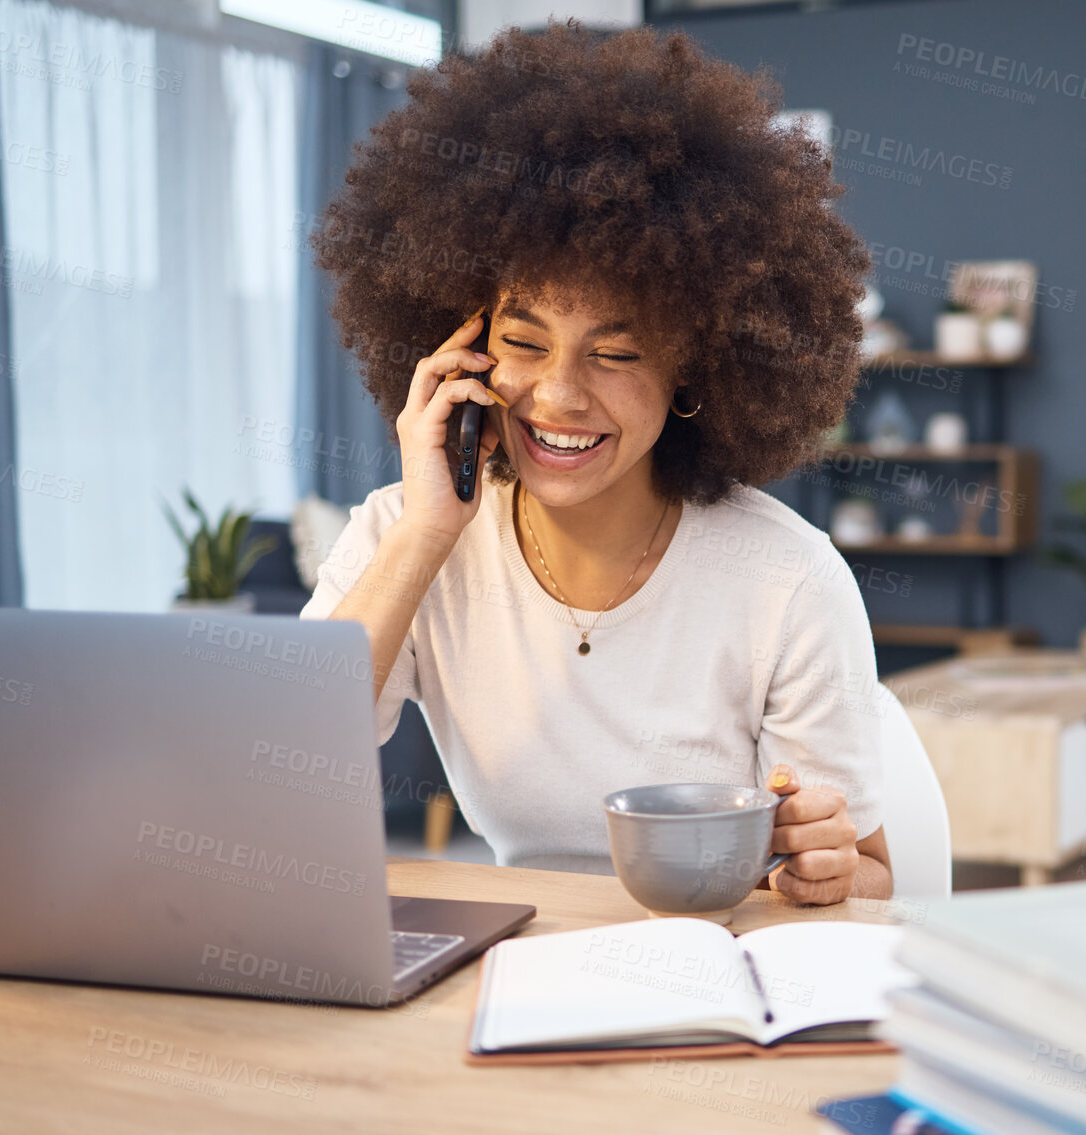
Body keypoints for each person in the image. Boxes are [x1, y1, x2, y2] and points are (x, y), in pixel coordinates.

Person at [298, 19, 889, 903]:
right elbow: (283, 762)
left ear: (692, 364)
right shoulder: (406, 530)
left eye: (616, 353)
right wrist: (428, 531)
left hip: (712, 965)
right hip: (513, 966)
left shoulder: (788, 578)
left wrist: (830, 868)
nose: (560, 396)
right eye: (524, 342)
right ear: (461, 347)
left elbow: (874, 876)